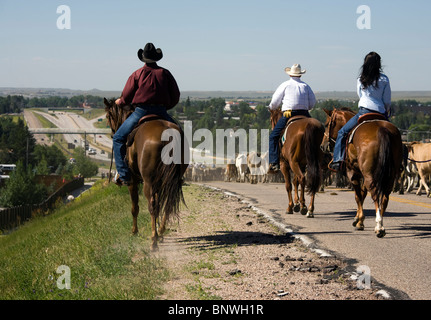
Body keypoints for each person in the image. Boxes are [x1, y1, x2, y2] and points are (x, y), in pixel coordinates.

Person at [113, 43, 180, 186]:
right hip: (162, 112)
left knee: (118, 139)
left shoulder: (137, 74)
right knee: (181, 136)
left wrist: (120, 102)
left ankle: (124, 175)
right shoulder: (165, 73)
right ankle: (179, 173)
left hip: (141, 112)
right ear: (156, 58)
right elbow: (175, 96)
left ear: (143, 59)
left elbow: (126, 96)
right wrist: (165, 107)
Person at [329, 52, 391, 172]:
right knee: (395, 135)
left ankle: (338, 160)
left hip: (364, 112)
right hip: (380, 113)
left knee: (342, 133)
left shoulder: (361, 79)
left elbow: (360, 95)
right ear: (379, 64)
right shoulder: (384, 79)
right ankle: (399, 164)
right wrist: (386, 111)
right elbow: (387, 100)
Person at [267, 63, 316, 173]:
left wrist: (271, 107)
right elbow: (312, 103)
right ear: (300, 75)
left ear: (290, 74)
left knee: (273, 137)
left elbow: (275, 102)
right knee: (319, 131)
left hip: (289, 114)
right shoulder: (306, 86)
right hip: (305, 114)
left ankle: (274, 163)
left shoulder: (285, 85)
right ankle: (323, 158)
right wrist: (305, 107)